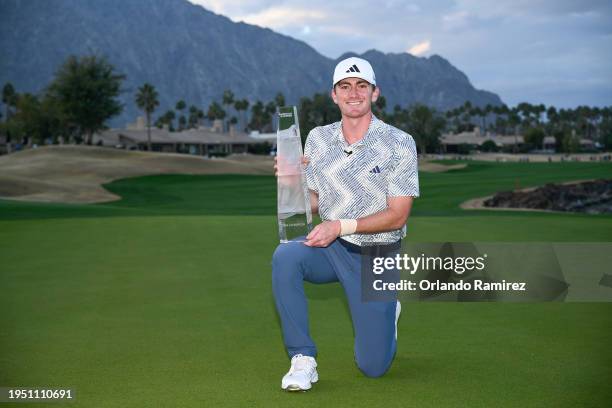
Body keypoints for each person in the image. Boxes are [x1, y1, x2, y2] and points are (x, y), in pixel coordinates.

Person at [272, 57, 419, 391]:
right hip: (331, 249)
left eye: (361, 86)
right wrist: (289, 181)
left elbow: (397, 214)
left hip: (377, 255)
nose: (354, 93)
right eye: (345, 86)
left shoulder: (399, 142)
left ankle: (387, 313)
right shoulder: (318, 139)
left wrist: (340, 226)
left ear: (375, 93)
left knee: (373, 367)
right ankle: (302, 359)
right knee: (286, 257)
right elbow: (310, 205)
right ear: (334, 95)